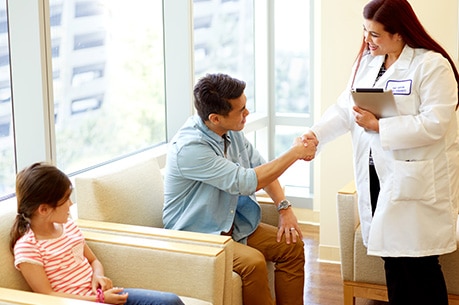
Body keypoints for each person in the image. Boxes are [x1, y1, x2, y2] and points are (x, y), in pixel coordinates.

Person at [302, 0, 459, 304]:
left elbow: (436, 124)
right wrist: (316, 134)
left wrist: (380, 126)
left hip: (416, 179)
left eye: (375, 35)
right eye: (364, 31)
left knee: (420, 265)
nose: (366, 41)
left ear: (399, 34)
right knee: (392, 261)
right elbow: (344, 110)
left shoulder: (431, 65)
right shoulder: (368, 64)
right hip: (377, 175)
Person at [163, 73, 316, 305]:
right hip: (197, 235)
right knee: (252, 262)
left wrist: (284, 208)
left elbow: (262, 169)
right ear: (215, 118)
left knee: (291, 246)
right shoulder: (190, 148)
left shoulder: (231, 132)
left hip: (232, 226)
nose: (247, 113)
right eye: (241, 110)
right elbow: (246, 181)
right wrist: (295, 153)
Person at [9, 162, 184, 305]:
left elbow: (93, 260)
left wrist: (98, 276)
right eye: (65, 200)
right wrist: (98, 299)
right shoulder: (28, 247)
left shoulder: (68, 227)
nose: (70, 204)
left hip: (102, 297)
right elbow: (47, 295)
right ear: (44, 209)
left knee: (170, 301)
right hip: (80, 302)